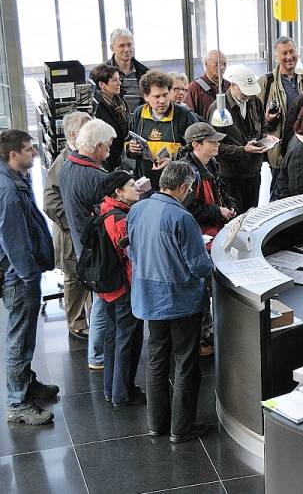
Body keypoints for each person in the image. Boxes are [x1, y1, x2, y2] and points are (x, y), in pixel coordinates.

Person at [128, 161, 213, 443]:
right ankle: (182, 428)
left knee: (156, 362)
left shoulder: (137, 209)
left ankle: (157, 424)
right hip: (180, 302)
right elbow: (199, 266)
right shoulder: (182, 217)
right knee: (186, 364)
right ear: (185, 187)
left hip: (148, 299)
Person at [0, 129, 59, 425]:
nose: (34, 153)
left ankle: (27, 384)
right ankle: (17, 402)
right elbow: (14, 241)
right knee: (19, 339)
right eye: (29, 149)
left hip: (23, 273)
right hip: (20, 278)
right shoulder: (8, 191)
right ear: (13, 155)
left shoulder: (15, 179)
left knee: (25, 336)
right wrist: (28, 276)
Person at [176, 122, 236, 356]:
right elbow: (188, 210)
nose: (217, 144)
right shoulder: (186, 172)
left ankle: (207, 332)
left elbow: (221, 190)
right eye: (212, 142)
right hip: (200, 239)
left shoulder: (209, 163)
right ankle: (202, 338)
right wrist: (217, 212)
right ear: (196, 145)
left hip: (214, 233)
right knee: (201, 288)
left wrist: (229, 205)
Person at [60, 119, 116, 370]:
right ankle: (97, 355)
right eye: (109, 146)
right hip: (99, 250)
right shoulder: (96, 177)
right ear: (99, 145)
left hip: (82, 246)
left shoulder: (67, 166)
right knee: (104, 302)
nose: (110, 151)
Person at [43, 111, 93, 340]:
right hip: (69, 233)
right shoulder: (63, 162)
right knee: (73, 277)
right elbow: (50, 202)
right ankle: (76, 322)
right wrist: (74, 222)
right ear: (74, 134)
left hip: (83, 229)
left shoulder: (84, 157)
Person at [98, 170, 145, 407]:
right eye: (131, 185)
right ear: (118, 191)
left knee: (113, 338)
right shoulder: (120, 220)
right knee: (128, 340)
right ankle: (122, 393)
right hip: (124, 289)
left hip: (109, 288)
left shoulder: (104, 209)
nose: (136, 188)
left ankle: (111, 389)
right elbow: (132, 254)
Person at [207, 64, 276, 213]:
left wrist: (266, 137)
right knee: (235, 216)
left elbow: (262, 127)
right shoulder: (219, 109)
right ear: (233, 85)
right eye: (245, 91)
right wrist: (243, 150)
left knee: (252, 213)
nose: (247, 96)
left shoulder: (254, 102)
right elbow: (214, 147)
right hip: (231, 175)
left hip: (254, 170)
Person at [259, 37, 303, 198]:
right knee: (279, 196)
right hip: (280, 152)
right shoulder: (267, 82)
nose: (289, 56)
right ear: (276, 56)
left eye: (292, 51)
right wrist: (268, 120)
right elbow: (256, 121)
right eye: (284, 53)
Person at [127, 70, 198, 190]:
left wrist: (173, 159)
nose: (162, 100)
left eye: (165, 95)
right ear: (146, 96)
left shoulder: (185, 115)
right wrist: (131, 148)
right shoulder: (139, 114)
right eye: (157, 96)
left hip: (177, 187)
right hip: (146, 184)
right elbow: (127, 147)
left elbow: (197, 148)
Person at [90, 63, 130, 172]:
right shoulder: (95, 106)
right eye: (114, 80)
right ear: (102, 85)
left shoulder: (121, 102)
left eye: (119, 79)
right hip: (105, 161)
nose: (119, 83)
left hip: (120, 158)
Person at [105, 28, 149, 113]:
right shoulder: (101, 73)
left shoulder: (144, 72)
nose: (126, 49)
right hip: (112, 124)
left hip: (139, 124)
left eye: (129, 45)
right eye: (121, 46)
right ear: (112, 48)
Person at [185, 50, 229, 119]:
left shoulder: (229, 86)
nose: (222, 67)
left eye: (224, 64)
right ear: (206, 64)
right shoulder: (194, 88)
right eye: (217, 64)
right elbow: (190, 117)